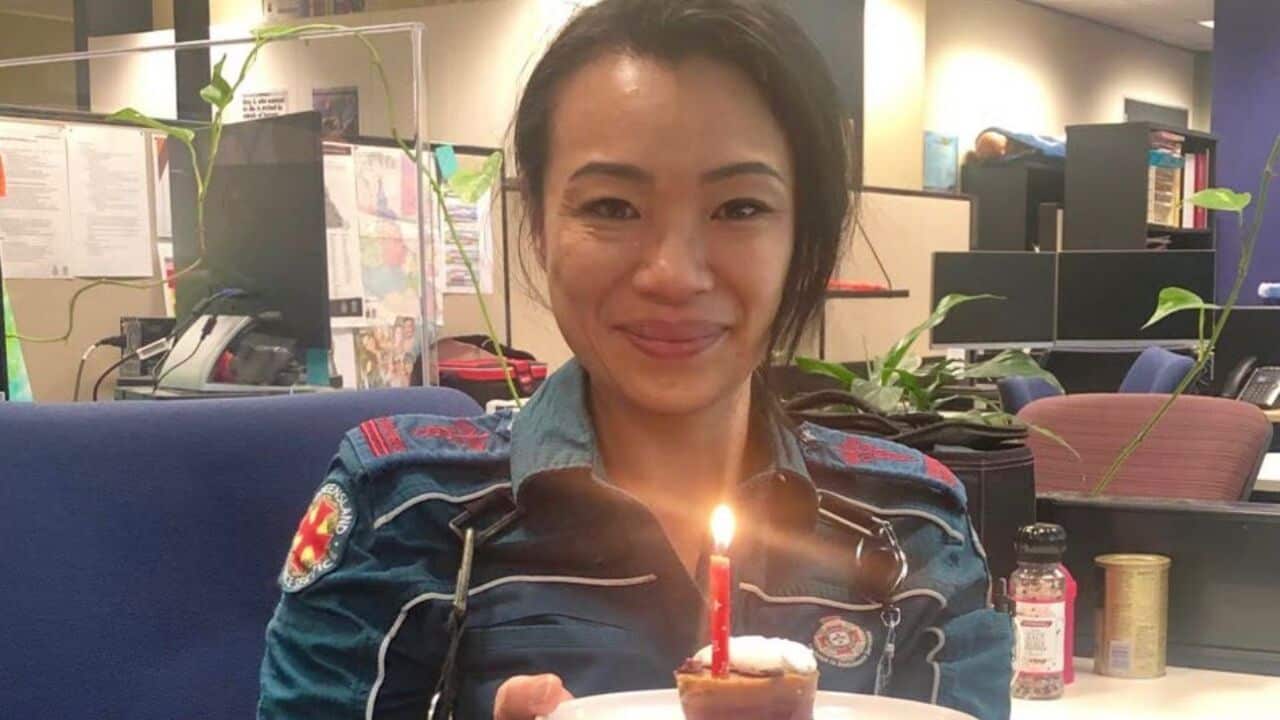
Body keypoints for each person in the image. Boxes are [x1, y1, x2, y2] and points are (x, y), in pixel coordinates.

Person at [258, 1, 1013, 719]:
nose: (674, 274)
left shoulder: (909, 524)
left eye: (740, 208)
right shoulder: (407, 510)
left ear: (801, 237)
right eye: (612, 208)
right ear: (539, 226)